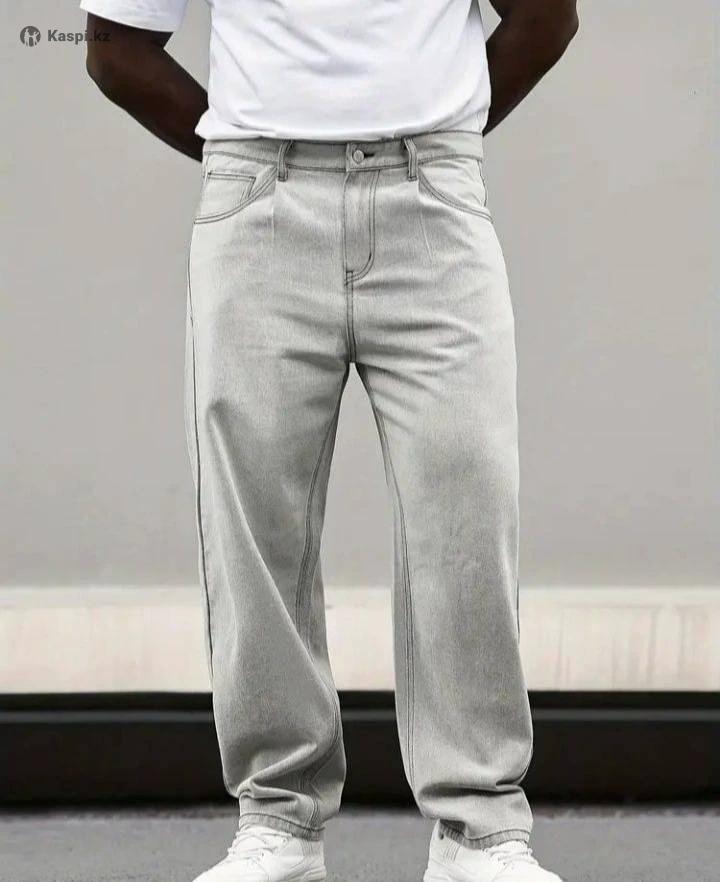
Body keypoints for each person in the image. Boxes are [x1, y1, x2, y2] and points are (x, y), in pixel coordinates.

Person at [83, 2, 578, 880]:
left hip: (434, 199)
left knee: (465, 509)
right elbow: (115, 49)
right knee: (253, 525)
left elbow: (547, 16)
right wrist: (244, 156)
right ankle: (279, 821)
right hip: (258, 203)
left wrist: (439, 135)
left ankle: (478, 833)